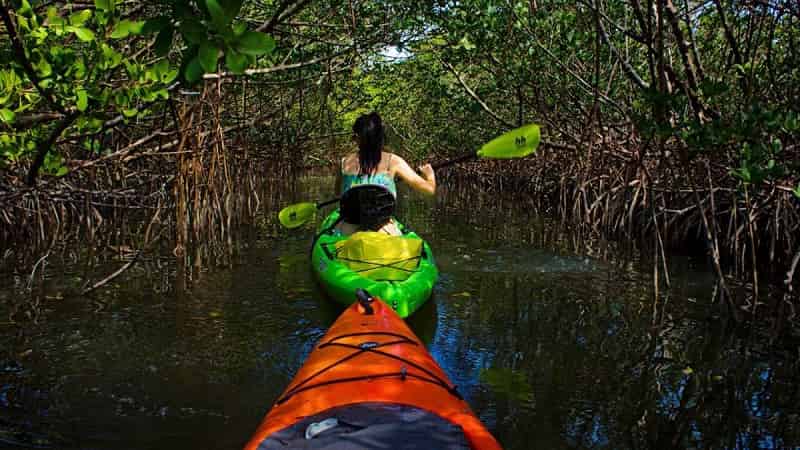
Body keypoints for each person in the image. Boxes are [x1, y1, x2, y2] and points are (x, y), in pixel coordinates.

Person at [335, 112, 436, 236]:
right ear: (381, 138)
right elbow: (429, 190)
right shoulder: (394, 161)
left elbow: (339, 194)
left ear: (356, 138)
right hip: (383, 227)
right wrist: (429, 174)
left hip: (350, 226)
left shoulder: (345, 162)